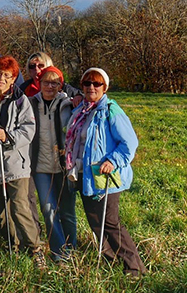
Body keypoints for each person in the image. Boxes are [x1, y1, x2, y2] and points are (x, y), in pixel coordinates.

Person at [65, 68, 147, 276]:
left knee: (110, 222)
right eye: (87, 83)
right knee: (95, 221)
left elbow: (129, 143)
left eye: (96, 84)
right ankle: (111, 262)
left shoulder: (111, 110)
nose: (91, 87)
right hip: (84, 174)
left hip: (105, 175)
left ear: (105, 87)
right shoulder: (80, 111)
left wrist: (113, 160)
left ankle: (134, 268)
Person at [0, 55, 46, 269]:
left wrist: (8, 136)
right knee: (0, 212)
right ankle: (11, 246)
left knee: (20, 208)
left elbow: (28, 130)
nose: (1, 78)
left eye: (7, 75)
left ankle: (34, 248)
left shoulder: (21, 99)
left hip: (16, 163)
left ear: (14, 79)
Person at [28, 66, 77, 262]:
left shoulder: (69, 104)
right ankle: (59, 254)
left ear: (60, 85)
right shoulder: (31, 104)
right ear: (39, 83)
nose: (50, 86)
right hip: (40, 167)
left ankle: (71, 249)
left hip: (63, 166)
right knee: (48, 211)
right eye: (46, 82)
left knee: (67, 211)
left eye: (54, 82)